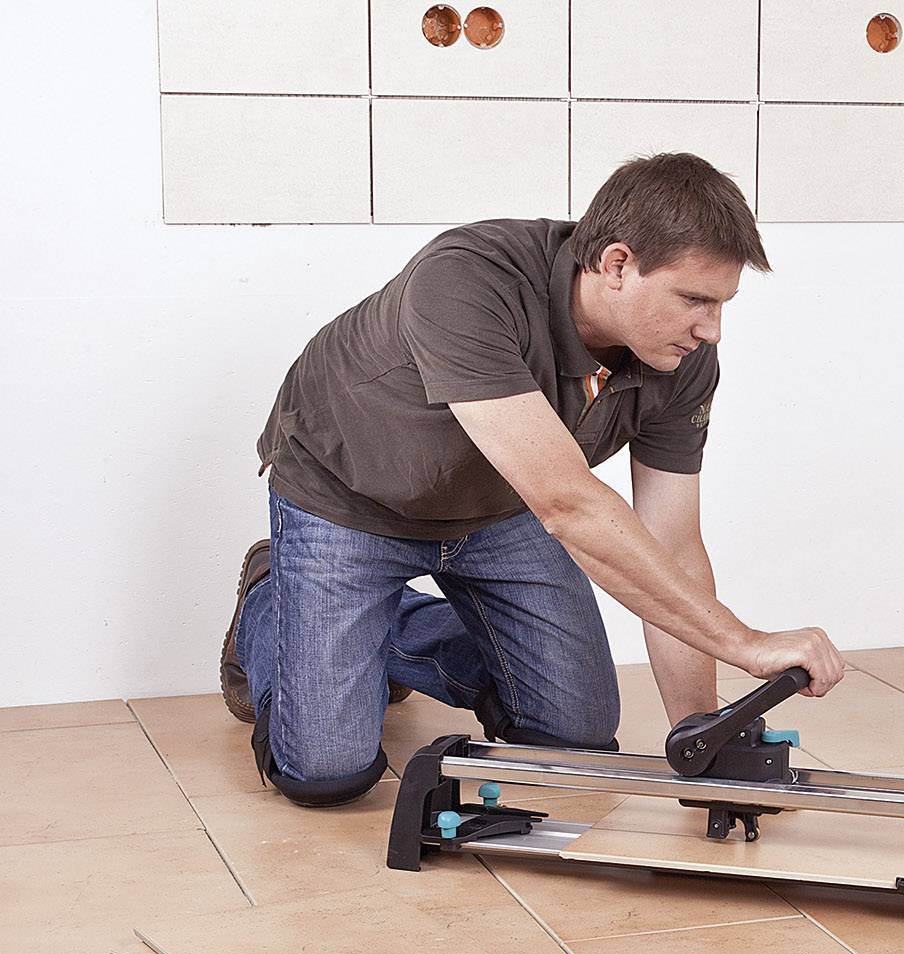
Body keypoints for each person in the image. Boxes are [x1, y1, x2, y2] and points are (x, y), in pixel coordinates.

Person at [219, 153, 845, 808]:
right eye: (694, 299)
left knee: (570, 741)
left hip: (500, 506)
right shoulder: (468, 280)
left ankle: (368, 630)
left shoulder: (682, 358)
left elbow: (674, 542)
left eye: (721, 304)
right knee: (327, 774)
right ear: (617, 264)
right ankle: (271, 600)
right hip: (350, 498)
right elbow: (569, 505)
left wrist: (700, 728)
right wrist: (743, 642)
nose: (711, 328)